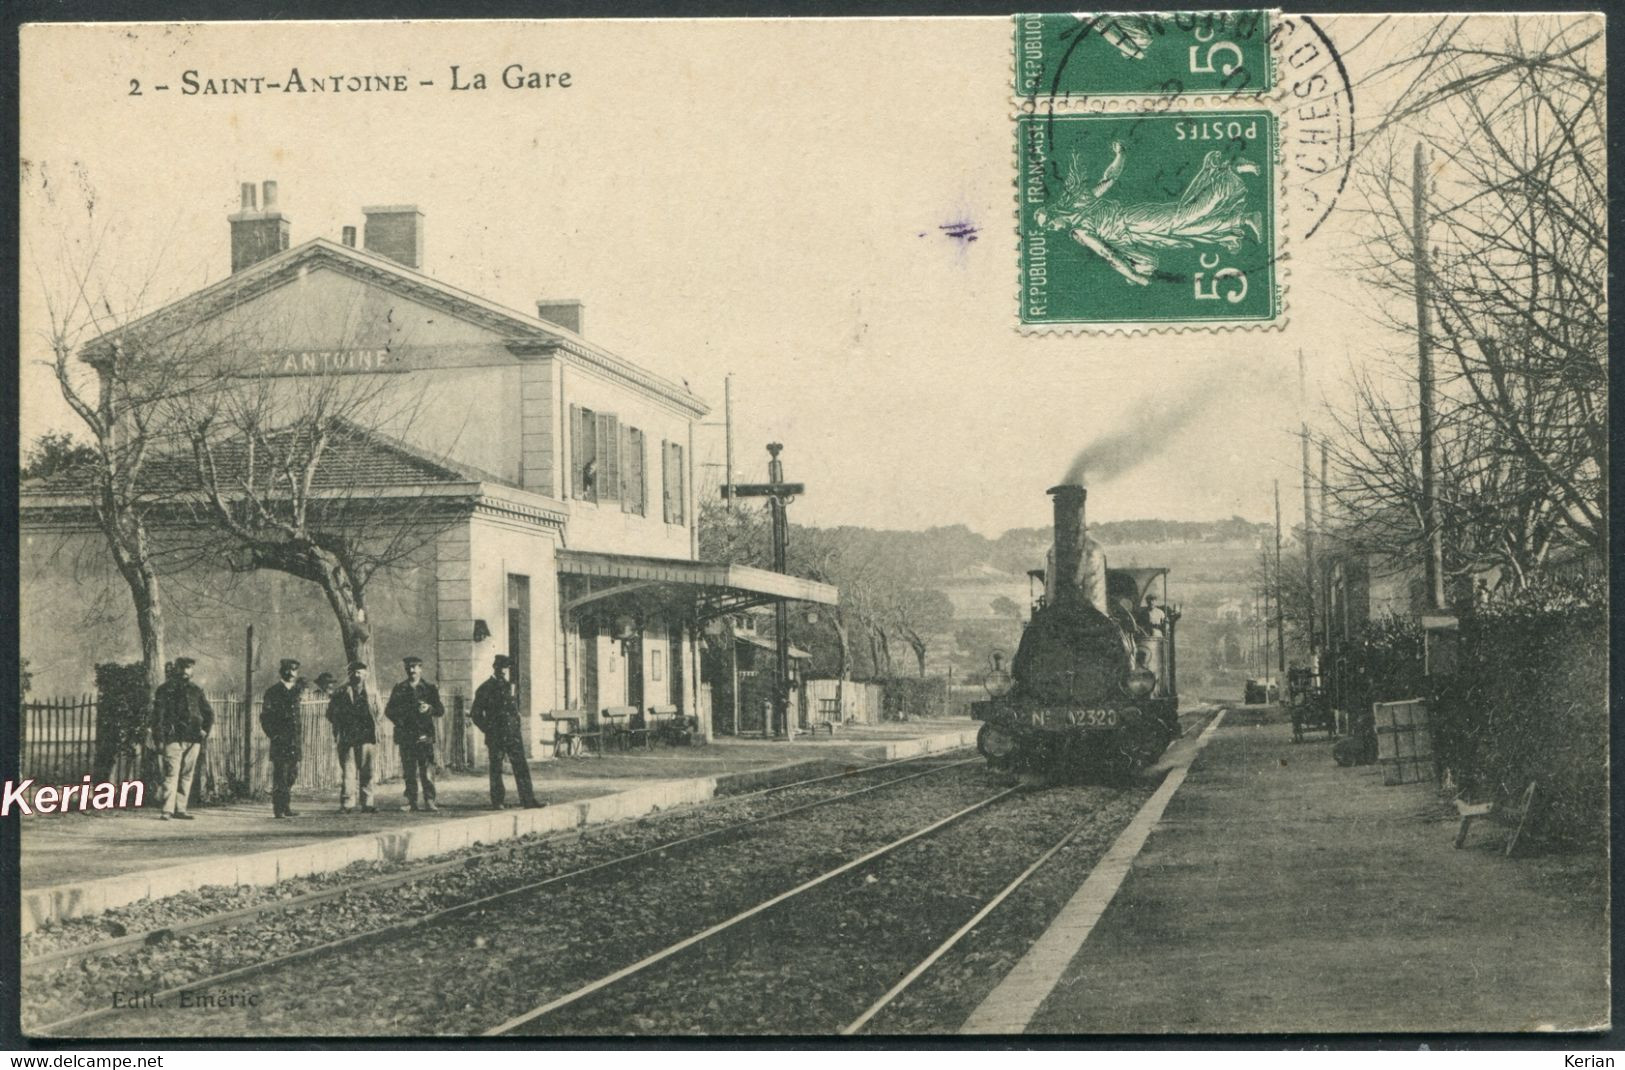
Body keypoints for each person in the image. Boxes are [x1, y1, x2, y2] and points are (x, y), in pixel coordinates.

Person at [470, 655, 541, 809]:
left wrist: (517, 722)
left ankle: (528, 800)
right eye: (500, 667)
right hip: (496, 735)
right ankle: (497, 801)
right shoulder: (485, 688)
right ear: (494, 667)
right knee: (496, 768)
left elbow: (513, 710)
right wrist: (488, 729)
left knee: (521, 767)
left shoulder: (510, 686)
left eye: (506, 668)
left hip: (513, 735)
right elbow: (475, 714)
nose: (503, 670)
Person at [151, 657, 213, 821]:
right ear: (175, 669)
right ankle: (167, 810)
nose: (186, 671)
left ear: (192, 670)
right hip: (173, 738)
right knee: (171, 774)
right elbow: (158, 716)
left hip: (193, 738)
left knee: (187, 774)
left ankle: (180, 808)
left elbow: (208, 713)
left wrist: (205, 730)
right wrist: (159, 738)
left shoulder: (196, 690)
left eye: (189, 668)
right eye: (182, 667)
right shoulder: (165, 690)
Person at [385, 656, 444, 812]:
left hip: (425, 734)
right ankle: (412, 802)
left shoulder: (430, 688)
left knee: (427, 770)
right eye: (408, 667)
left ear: (421, 668)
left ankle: (430, 800)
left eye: (415, 667)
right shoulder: (399, 688)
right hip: (406, 735)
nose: (411, 670)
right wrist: (401, 719)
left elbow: (440, 710)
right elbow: (389, 711)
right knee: (409, 770)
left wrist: (429, 708)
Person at [325, 660, 378, 813]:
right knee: (348, 771)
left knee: (367, 770)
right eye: (353, 672)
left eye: (360, 672)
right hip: (348, 736)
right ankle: (347, 803)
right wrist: (341, 725)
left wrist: (372, 725)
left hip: (367, 736)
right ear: (349, 674)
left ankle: (367, 803)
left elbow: (379, 711)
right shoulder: (340, 692)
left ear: (366, 674)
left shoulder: (372, 692)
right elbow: (330, 714)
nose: (357, 675)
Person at [261, 658, 306, 819]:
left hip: (294, 740)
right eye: (288, 670)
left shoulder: (297, 691)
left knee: (292, 774)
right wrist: (274, 735)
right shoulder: (273, 691)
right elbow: (265, 717)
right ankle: (278, 808)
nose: (291, 673)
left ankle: (286, 806)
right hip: (280, 740)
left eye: (294, 670)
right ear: (282, 671)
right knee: (280, 774)